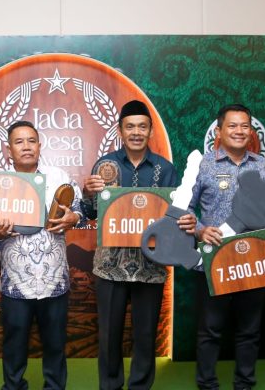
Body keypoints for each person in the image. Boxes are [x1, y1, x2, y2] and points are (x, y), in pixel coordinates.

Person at [83, 100, 195, 389]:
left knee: (145, 335)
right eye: (130, 126)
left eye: (142, 127)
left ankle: (140, 385)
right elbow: (92, 212)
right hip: (110, 266)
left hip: (151, 265)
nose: (136, 132)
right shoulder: (105, 165)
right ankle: (110, 385)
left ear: (150, 131)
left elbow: (176, 214)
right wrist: (88, 193)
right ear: (120, 130)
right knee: (109, 334)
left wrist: (185, 219)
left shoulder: (165, 169)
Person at [0, 120, 85, 390]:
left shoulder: (59, 177)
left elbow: (81, 212)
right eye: (19, 142)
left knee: (56, 344)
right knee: (14, 345)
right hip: (16, 284)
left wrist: (74, 217)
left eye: (31, 141)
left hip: (54, 281)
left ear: (39, 146)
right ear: (8, 150)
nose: (26, 147)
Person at [187, 104, 265, 390]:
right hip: (214, 260)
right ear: (219, 131)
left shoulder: (263, 166)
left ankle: (244, 384)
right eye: (233, 126)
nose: (239, 131)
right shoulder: (204, 165)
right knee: (210, 329)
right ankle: (207, 384)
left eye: (244, 126)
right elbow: (185, 209)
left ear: (251, 131)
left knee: (249, 330)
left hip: (254, 260)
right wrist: (200, 231)